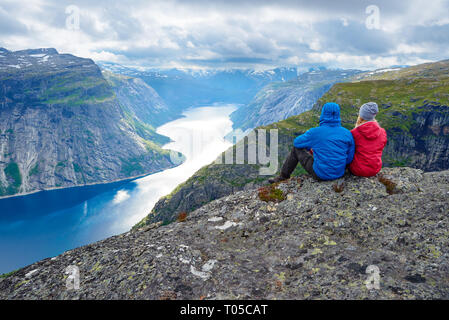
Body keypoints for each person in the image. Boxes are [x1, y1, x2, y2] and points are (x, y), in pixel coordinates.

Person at [269, 102, 355, 183]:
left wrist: (310, 147)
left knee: (296, 149)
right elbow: (349, 158)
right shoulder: (347, 133)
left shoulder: (315, 132)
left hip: (320, 175)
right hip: (339, 173)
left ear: (323, 114)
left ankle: (283, 177)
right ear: (338, 115)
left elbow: (297, 143)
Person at [349, 102, 387, 177]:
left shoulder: (354, 133)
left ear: (361, 116)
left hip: (357, 170)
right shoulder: (382, 132)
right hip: (375, 169)